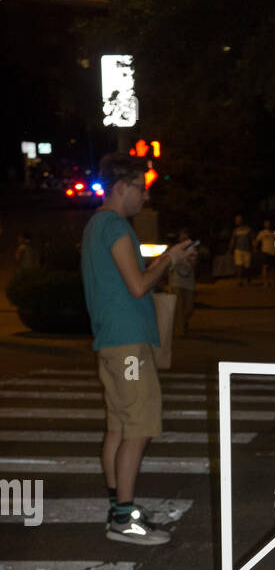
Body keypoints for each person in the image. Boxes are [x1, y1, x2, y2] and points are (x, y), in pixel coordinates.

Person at [80, 153, 196, 545]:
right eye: (140, 189)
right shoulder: (114, 225)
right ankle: (123, 519)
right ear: (120, 187)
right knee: (140, 427)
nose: (144, 197)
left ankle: (119, 507)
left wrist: (165, 259)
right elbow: (137, 285)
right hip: (128, 345)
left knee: (119, 426)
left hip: (113, 342)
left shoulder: (98, 225)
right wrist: (169, 259)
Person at [168, 225, 196, 334]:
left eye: (186, 236)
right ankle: (180, 330)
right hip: (176, 280)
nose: (184, 237)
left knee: (189, 308)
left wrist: (190, 257)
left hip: (189, 281)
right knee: (179, 307)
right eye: (182, 236)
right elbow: (168, 264)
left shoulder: (192, 249)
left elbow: (194, 264)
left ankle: (182, 322)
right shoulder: (174, 249)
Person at [228, 213, 253, 287]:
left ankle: (248, 279)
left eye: (238, 220)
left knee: (247, 267)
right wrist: (230, 249)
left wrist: (254, 248)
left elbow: (252, 240)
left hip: (247, 250)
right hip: (238, 250)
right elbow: (233, 240)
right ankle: (239, 281)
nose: (237, 221)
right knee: (239, 266)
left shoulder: (248, 229)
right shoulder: (235, 230)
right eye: (236, 220)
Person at [254, 218, 275, 287]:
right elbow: (257, 241)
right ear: (264, 225)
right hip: (265, 251)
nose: (268, 225)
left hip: (273, 252)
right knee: (265, 267)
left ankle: (272, 281)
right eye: (266, 223)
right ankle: (265, 282)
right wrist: (255, 248)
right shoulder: (262, 233)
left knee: (272, 268)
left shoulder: (274, 232)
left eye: (269, 223)